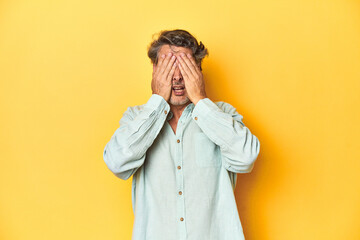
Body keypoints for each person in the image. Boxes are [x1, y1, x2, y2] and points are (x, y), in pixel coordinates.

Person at [103, 29, 260, 240]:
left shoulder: (223, 115)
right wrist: (157, 101)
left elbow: (246, 157)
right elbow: (116, 162)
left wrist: (201, 101)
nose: (177, 77)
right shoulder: (136, 118)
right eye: (169, 67)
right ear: (155, 70)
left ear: (198, 70)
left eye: (184, 67)